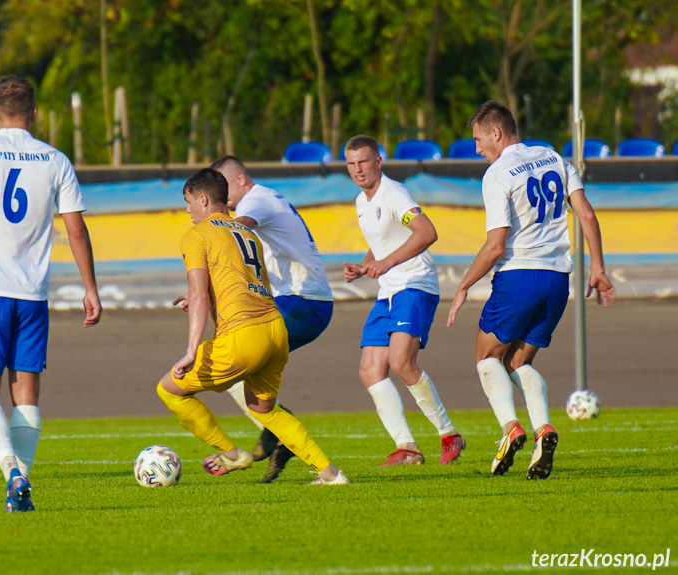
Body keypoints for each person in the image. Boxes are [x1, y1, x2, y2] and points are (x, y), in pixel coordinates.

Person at [0, 75, 102, 511]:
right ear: (34, 115)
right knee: (25, 393)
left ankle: (10, 469)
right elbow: (77, 230)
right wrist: (90, 288)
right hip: (32, 295)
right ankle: (21, 484)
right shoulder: (56, 160)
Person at [447, 100, 616, 480]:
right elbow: (586, 214)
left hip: (519, 275)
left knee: (486, 356)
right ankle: (544, 430)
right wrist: (599, 269)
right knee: (519, 362)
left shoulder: (497, 174)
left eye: (477, 139)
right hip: (558, 279)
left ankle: (511, 428)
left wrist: (462, 285)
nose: (476, 149)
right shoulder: (554, 158)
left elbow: (495, 246)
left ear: (496, 132)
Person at [157, 168, 348, 486]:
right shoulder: (247, 234)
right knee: (264, 409)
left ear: (203, 200)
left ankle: (232, 454)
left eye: (188, 201)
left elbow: (202, 297)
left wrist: (191, 350)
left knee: (169, 390)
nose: (187, 210)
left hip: (243, 336)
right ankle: (330, 474)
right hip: (275, 331)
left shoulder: (197, 235)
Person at [207, 155, 334, 483]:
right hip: (302, 302)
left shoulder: (257, 200)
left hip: (302, 301)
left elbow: (237, 231)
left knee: (231, 356)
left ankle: (274, 432)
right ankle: (277, 433)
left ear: (239, 179)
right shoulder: (266, 197)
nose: (221, 197)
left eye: (223, 187)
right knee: (240, 365)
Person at [342, 135, 465, 467]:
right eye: (351, 164)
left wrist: (386, 263)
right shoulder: (360, 202)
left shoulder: (394, 194)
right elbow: (382, 243)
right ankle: (407, 448)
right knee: (369, 370)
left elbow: (426, 233)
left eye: (364, 162)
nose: (358, 169)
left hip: (414, 283)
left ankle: (449, 434)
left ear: (378, 161)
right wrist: (365, 263)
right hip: (389, 289)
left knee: (401, 363)